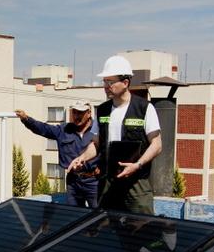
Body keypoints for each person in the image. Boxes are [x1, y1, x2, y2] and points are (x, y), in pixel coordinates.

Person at [69, 55, 162, 214]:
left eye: (110, 82)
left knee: (142, 231)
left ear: (125, 83)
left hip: (136, 185)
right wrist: (81, 158)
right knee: (107, 230)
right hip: (108, 183)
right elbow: (96, 144)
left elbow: (157, 144)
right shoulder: (103, 110)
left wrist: (137, 165)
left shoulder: (144, 108)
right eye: (104, 82)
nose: (106, 86)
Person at [15, 100, 100, 207]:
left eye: (80, 112)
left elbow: (109, 150)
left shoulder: (98, 130)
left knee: (99, 215)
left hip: (94, 181)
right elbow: (43, 129)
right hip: (73, 182)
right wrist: (26, 119)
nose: (76, 116)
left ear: (89, 113)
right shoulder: (64, 130)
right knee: (75, 216)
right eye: (74, 112)